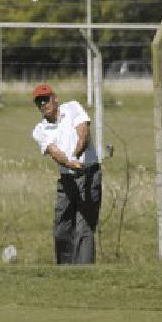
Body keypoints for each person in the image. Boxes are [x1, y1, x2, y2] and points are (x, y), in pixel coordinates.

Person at [31, 84, 101, 264]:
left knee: (84, 226)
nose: (43, 104)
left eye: (46, 99)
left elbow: (84, 133)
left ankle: (84, 272)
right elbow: (54, 152)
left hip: (89, 173)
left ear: (55, 98)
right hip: (67, 178)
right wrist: (70, 163)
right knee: (62, 227)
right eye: (39, 101)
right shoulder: (40, 130)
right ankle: (65, 270)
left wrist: (77, 157)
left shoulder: (72, 107)